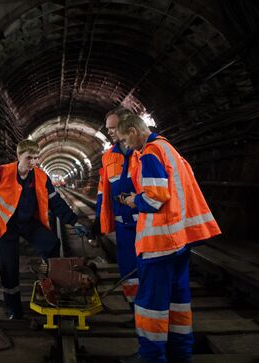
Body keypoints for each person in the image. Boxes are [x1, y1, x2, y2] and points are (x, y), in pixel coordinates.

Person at [116, 114, 221, 363]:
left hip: (159, 244)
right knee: (178, 303)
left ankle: (151, 357)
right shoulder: (168, 148)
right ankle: (180, 354)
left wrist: (133, 200)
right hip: (179, 242)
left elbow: (154, 198)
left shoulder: (150, 153)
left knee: (150, 305)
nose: (126, 146)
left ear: (133, 130)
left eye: (125, 139)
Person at [0, 139, 88, 319]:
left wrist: (74, 222)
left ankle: (47, 284)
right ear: (19, 157)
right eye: (29, 158)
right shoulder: (1, 172)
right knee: (9, 267)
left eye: (36, 158)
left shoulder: (41, 177)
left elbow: (56, 202)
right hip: (3, 224)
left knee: (51, 243)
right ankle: (13, 310)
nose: (33, 162)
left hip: (26, 222)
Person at [95, 107, 140, 316]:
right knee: (128, 274)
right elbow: (103, 191)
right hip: (124, 227)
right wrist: (98, 219)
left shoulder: (143, 151)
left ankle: (149, 314)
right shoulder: (108, 157)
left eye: (113, 128)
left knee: (148, 272)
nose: (110, 132)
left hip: (147, 224)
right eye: (108, 128)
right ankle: (135, 313)